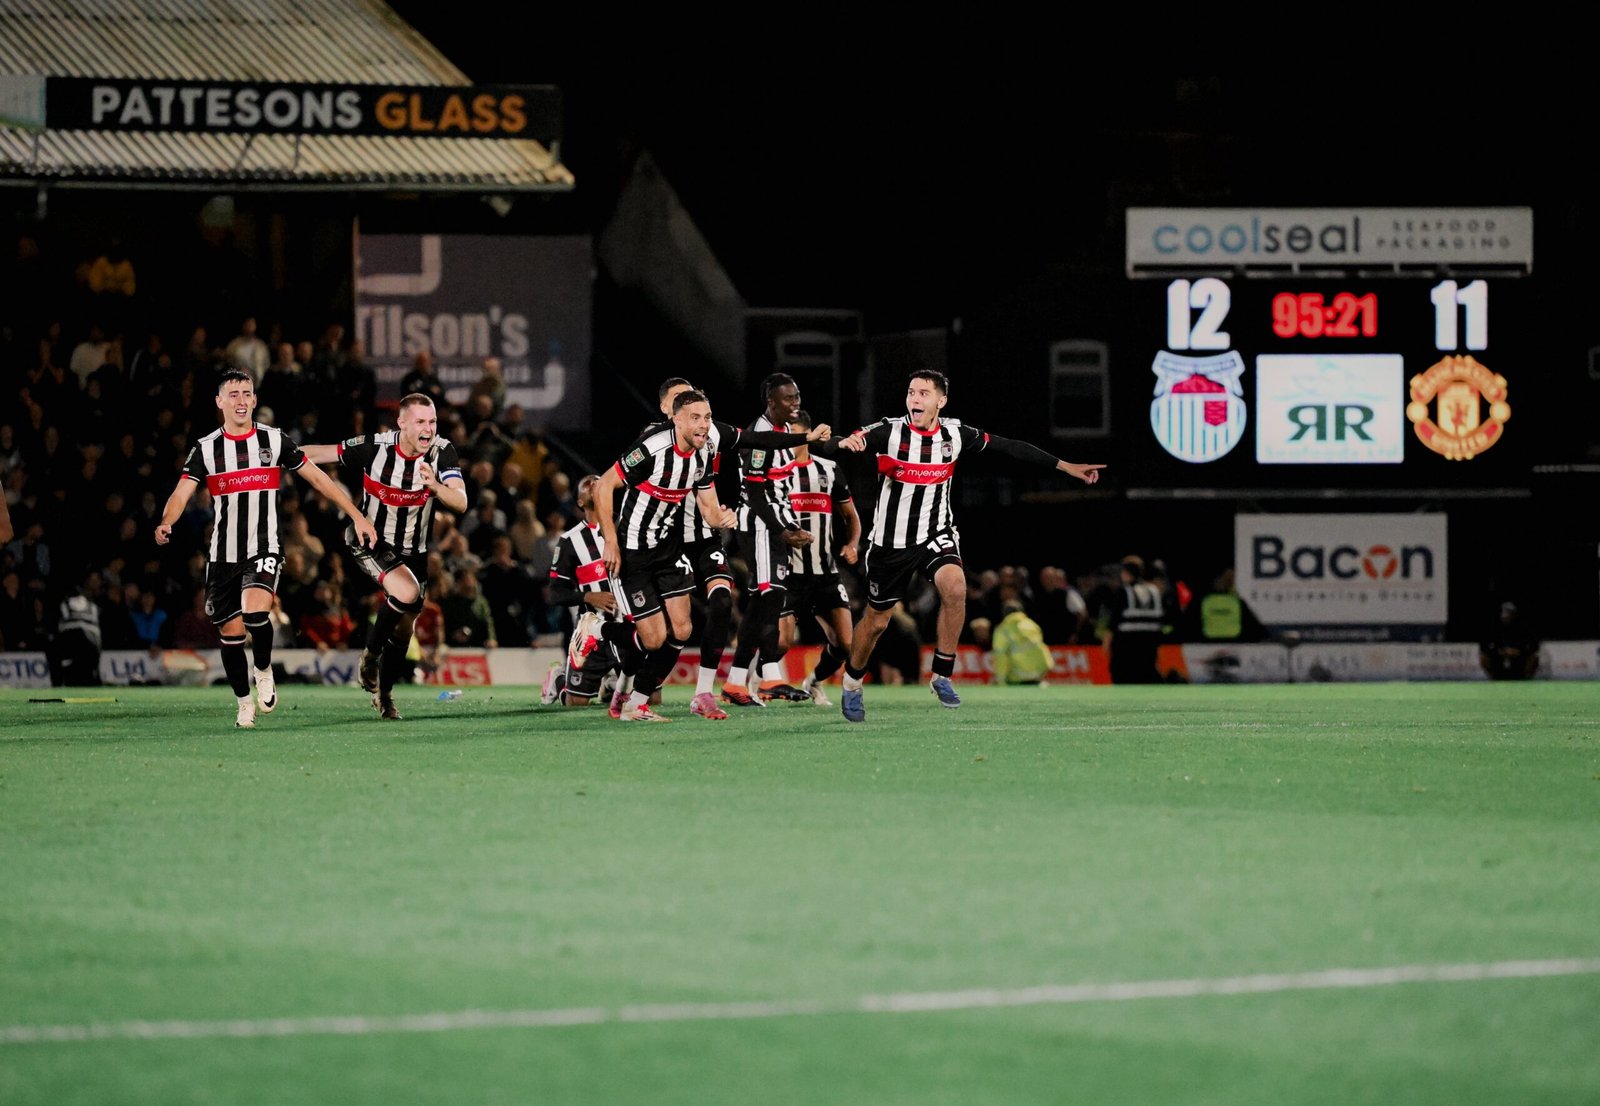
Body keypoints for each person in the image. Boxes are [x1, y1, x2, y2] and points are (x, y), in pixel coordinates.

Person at [832, 369, 1104, 721]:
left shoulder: (956, 434)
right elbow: (838, 443)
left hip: (937, 533)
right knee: (877, 621)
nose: (915, 399)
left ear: (941, 401)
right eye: (911, 392)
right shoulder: (889, 431)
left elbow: (1009, 447)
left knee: (956, 588)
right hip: (891, 542)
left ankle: (941, 675)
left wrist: (1065, 466)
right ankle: (852, 683)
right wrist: (842, 443)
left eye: (923, 393)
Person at [156, 371, 377, 727]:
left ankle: (263, 669)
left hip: (264, 546)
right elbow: (182, 492)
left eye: (247, 393)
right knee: (230, 634)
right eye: (233, 394)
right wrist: (167, 521)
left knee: (255, 613)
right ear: (220, 402)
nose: (241, 400)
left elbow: (317, 477)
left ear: (255, 400)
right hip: (223, 555)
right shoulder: (207, 447)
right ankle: (244, 702)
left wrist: (356, 515)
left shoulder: (273, 440)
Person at [635, 378, 828, 719]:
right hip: (664, 541)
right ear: (668, 409)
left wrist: (806, 438)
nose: (694, 410)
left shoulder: (710, 433)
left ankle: (705, 692)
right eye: (681, 401)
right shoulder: (654, 440)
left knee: (723, 601)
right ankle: (619, 665)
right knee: (660, 633)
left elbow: (757, 438)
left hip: (705, 536)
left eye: (699, 404)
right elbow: (625, 486)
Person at [299, 393, 467, 720]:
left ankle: (385, 697)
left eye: (432, 422)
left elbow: (460, 502)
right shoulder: (374, 447)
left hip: (414, 552)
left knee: (404, 631)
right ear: (401, 423)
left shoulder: (441, 451)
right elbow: (321, 453)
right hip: (371, 539)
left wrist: (436, 487)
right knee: (407, 591)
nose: (428, 429)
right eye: (420, 422)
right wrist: (278, 454)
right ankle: (370, 656)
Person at [590, 389, 740, 722]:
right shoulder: (652, 448)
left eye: (707, 418)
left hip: (668, 549)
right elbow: (603, 485)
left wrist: (722, 518)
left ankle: (636, 704)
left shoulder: (703, 453)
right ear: (677, 420)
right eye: (695, 418)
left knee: (683, 629)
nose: (704, 425)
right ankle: (597, 631)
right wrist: (610, 541)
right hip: (632, 551)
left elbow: (708, 508)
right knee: (654, 639)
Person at [721, 373, 817, 706]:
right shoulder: (759, 436)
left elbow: (779, 489)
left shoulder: (784, 431)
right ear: (771, 401)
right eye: (789, 398)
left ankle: (741, 681)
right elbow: (756, 493)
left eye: (797, 396)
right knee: (770, 598)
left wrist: (788, 525)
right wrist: (782, 531)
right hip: (760, 527)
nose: (796, 403)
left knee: (764, 603)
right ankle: (765, 678)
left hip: (773, 526)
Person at [781, 409, 860, 706]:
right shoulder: (776, 472)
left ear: (807, 435)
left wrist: (853, 544)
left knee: (845, 643)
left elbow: (851, 516)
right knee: (781, 642)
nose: (787, 441)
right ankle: (746, 683)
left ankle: (813, 682)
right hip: (789, 573)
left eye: (793, 435)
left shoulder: (828, 469)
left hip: (825, 572)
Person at [545, 474, 637, 709]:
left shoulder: (629, 527)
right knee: (576, 703)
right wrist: (587, 596)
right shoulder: (570, 541)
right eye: (587, 484)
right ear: (580, 502)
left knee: (652, 699)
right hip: (592, 633)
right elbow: (555, 593)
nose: (595, 482)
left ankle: (611, 685)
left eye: (599, 480)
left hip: (628, 625)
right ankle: (559, 679)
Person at [1103, 555, 1164, 684]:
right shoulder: (1154, 591)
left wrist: (1106, 643)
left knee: (1123, 679)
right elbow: (1160, 619)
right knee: (1147, 680)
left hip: (1126, 647)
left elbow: (1114, 621)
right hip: (1149, 645)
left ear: (1125, 573)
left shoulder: (1124, 591)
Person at [991, 600, 1054, 685]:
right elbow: (1041, 648)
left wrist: (1000, 680)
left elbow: (1000, 657)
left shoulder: (1002, 630)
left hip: (1016, 678)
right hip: (1038, 675)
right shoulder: (1032, 625)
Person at [1481, 601, 1540, 680]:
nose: (1506, 616)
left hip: (1519, 661)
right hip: (1499, 661)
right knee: (1484, 657)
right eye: (1504, 612)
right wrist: (1501, 651)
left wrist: (1518, 651)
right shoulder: (1494, 628)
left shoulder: (1523, 629)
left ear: (1514, 614)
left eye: (1509, 613)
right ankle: (1494, 678)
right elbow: (1484, 647)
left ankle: (1526, 678)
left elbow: (1534, 646)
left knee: (1534, 657)